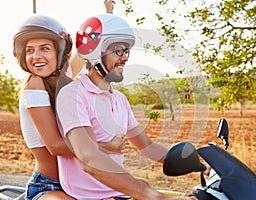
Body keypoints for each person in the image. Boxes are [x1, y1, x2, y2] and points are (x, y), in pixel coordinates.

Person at [56, 13, 198, 200]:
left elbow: (147, 145)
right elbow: (89, 159)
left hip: (118, 193)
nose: (124, 58)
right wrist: (154, 197)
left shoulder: (120, 99)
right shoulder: (73, 95)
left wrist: (201, 163)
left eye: (126, 51)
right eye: (117, 51)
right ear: (95, 53)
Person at [13, 1, 122, 200]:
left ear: (60, 52)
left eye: (44, 48)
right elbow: (55, 147)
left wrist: (107, 14)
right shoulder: (34, 85)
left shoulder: (62, 82)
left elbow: (87, 47)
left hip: (82, 184)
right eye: (29, 50)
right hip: (49, 187)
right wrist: (107, 145)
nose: (36, 56)